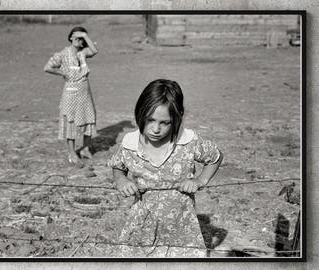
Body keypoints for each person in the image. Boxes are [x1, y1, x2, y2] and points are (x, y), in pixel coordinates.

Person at [108, 79, 223, 257]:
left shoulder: (187, 142)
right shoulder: (130, 144)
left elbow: (215, 157)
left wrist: (200, 180)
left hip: (181, 229)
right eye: (150, 120)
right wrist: (121, 180)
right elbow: (118, 165)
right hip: (142, 226)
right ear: (140, 113)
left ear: (177, 117)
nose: (155, 128)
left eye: (165, 122)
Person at [44, 26, 98, 167]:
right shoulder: (62, 54)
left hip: (85, 92)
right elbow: (47, 67)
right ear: (70, 38)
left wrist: (85, 36)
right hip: (70, 93)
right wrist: (63, 73)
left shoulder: (83, 53)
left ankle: (85, 149)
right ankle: (72, 153)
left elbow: (94, 50)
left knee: (88, 118)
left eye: (81, 39)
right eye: (77, 37)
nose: (79, 40)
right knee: (70, 122)